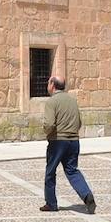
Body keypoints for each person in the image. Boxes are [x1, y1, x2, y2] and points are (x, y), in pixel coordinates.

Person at [41, 76, 96, 214]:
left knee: (50, 172)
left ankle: (51, 203)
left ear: (52, 85)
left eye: (48, 82)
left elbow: (49, 123)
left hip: (58, 141)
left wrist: (47, 133)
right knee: (72, 170)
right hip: (74, 141)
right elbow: (79, 122)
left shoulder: (52, 102)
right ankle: (87, 195)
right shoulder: (72, 101)